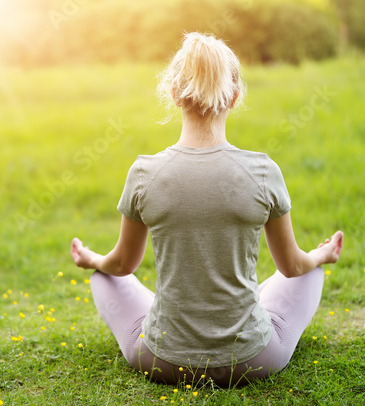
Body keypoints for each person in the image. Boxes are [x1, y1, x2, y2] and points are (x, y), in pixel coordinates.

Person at [69, 33, 344, 387]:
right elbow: (291, 267)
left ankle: (176, 313)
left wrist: (91, 259)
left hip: (163, 360)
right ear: (234, 95)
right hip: (252, 360)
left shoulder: (145, 173)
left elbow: (122, 265)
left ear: (172, 93)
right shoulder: (262, 171)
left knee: (103, 276)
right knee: (311, 271)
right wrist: (321, 256)